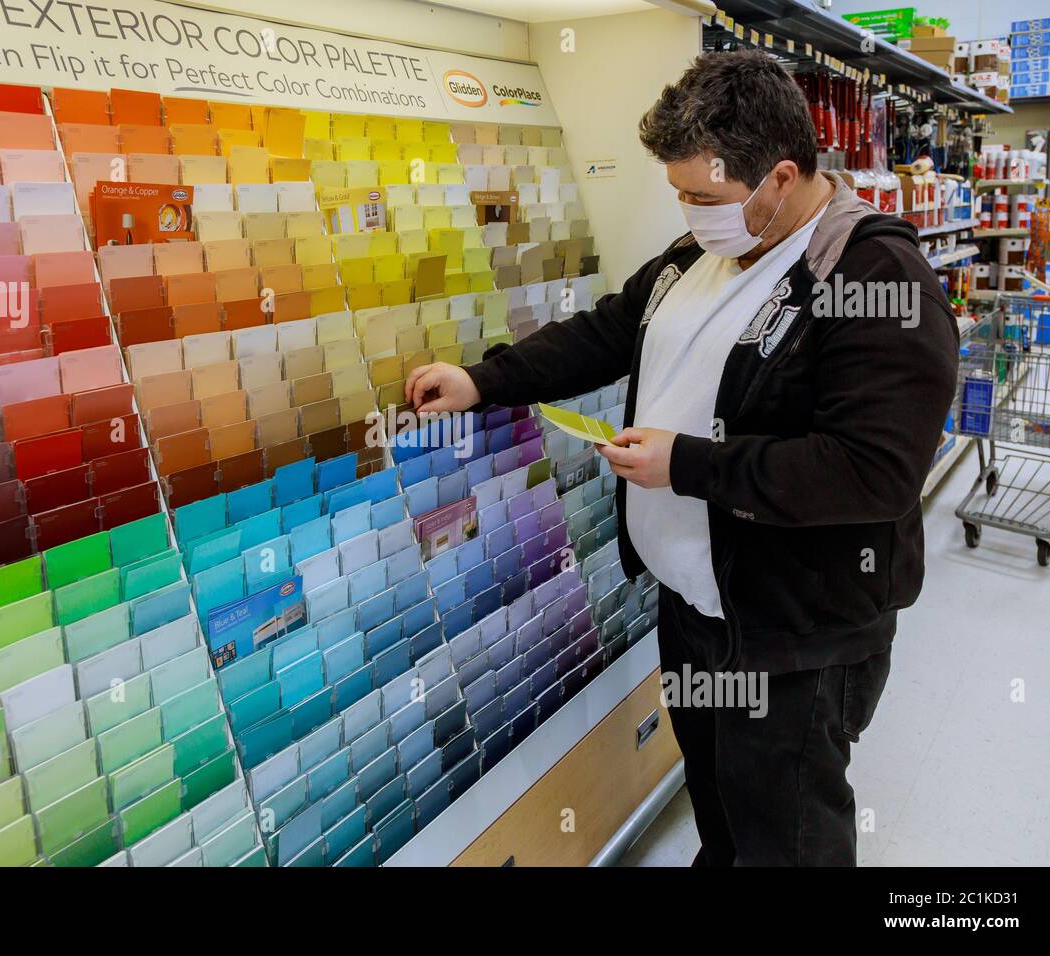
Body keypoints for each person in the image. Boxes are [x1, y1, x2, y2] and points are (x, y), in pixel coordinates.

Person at [403, 50, 959, 866]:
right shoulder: (699, 255)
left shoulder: (876, 276)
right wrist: (483, 381)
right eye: (681, 196)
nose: (692, 212)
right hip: (695, 610)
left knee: (787, 833)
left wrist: (691, 465)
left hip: (792, 632)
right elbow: (608, 330)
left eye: (706, 196)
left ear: (778, 177)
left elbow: (870, 472)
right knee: (723, 808)